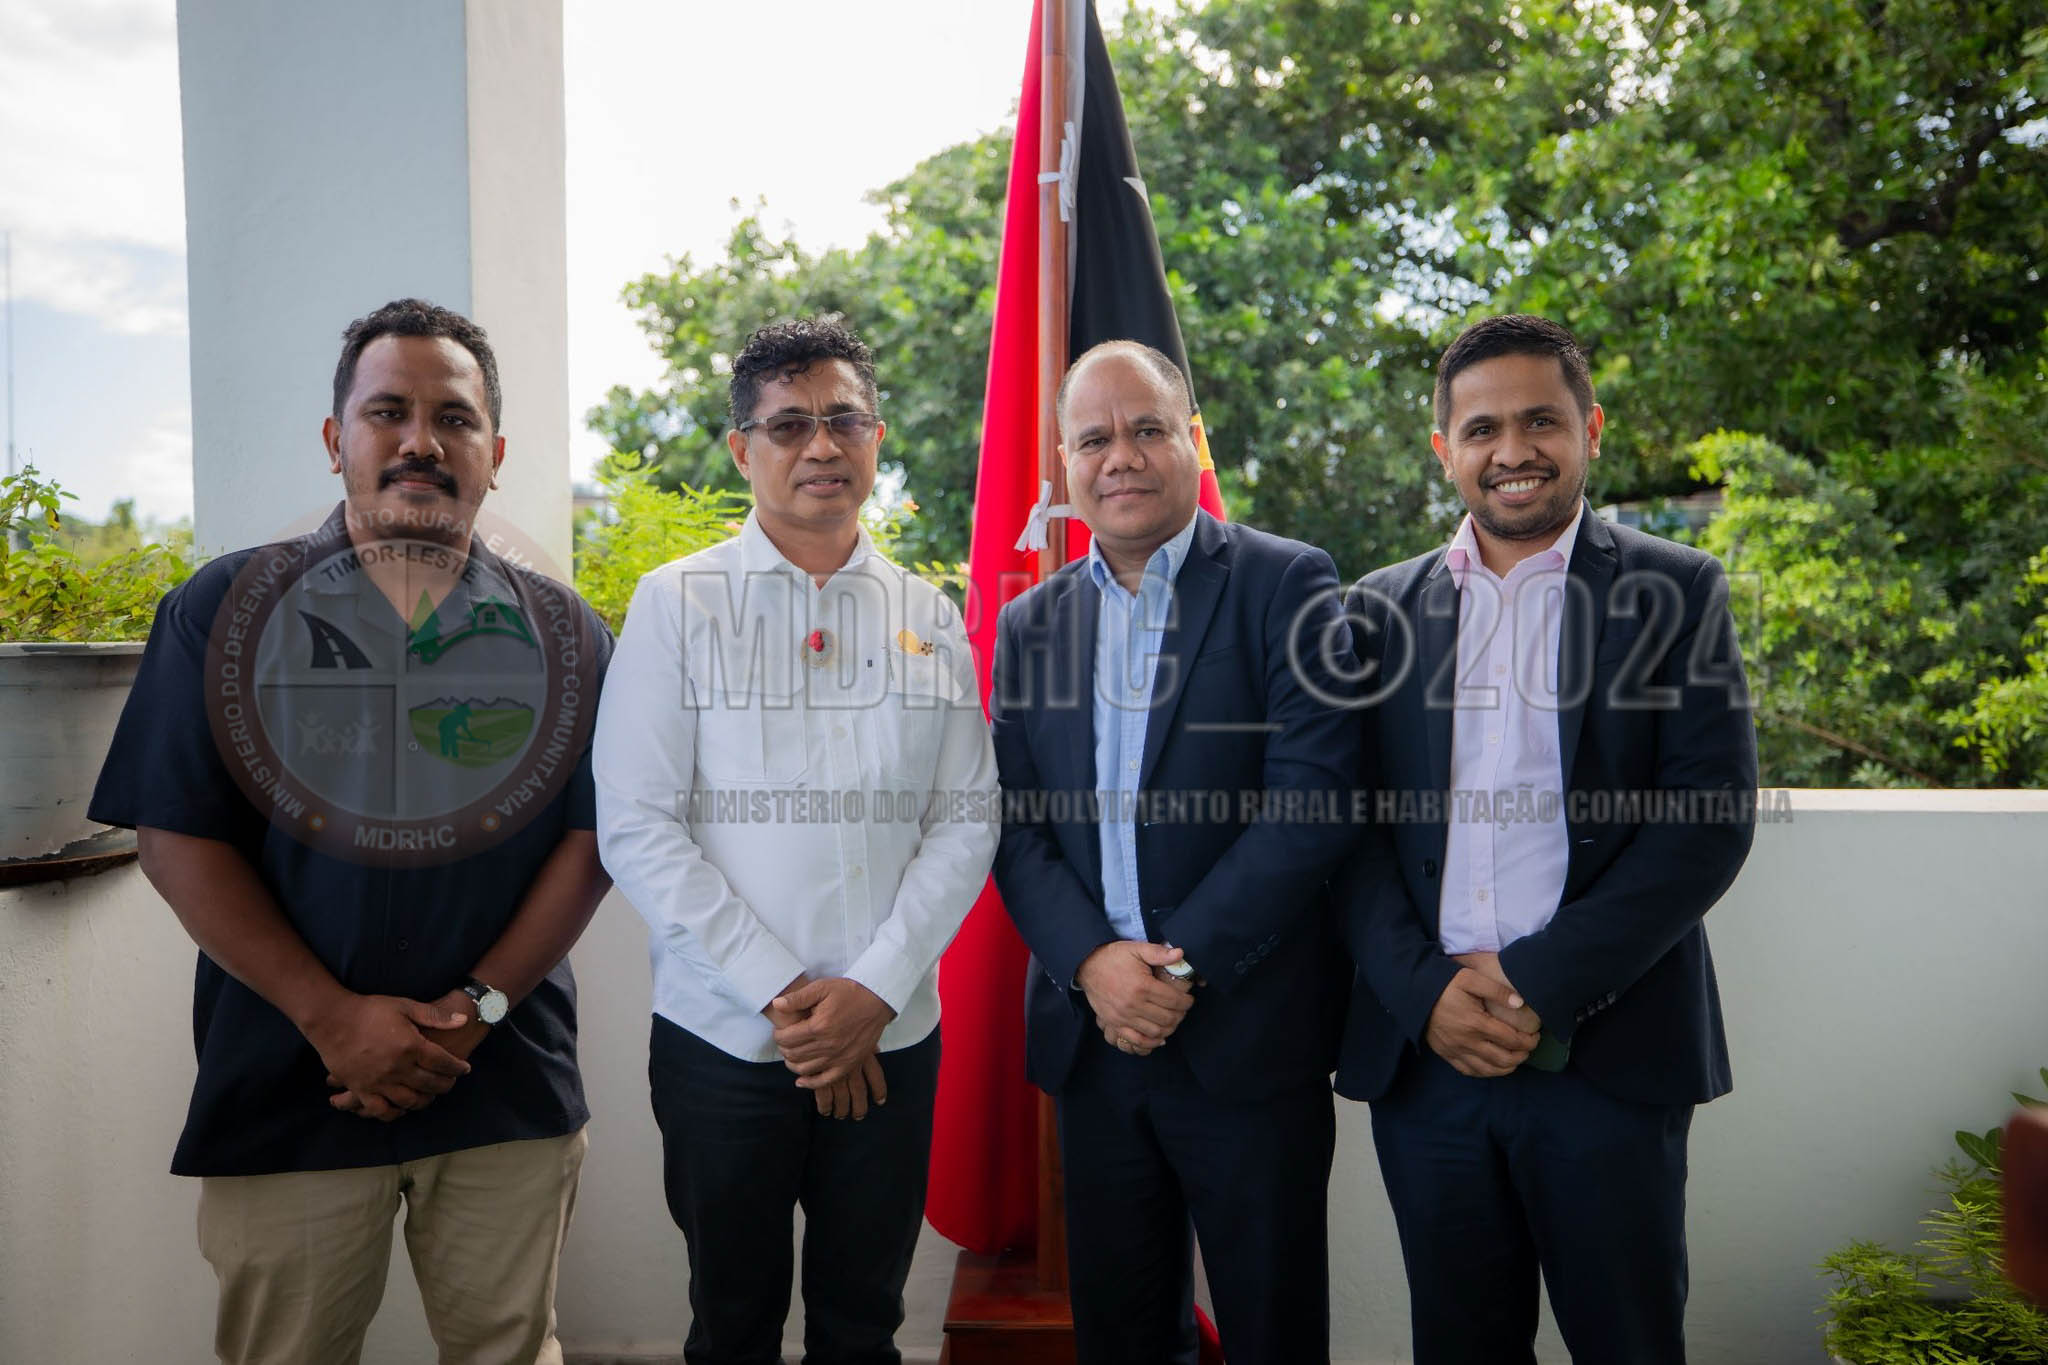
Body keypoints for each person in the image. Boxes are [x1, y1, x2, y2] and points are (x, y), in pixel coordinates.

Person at [88, 298, 614, 1364]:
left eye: (454, 418)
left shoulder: (567, 633)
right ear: (337, 440)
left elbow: (591, 842)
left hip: (501, 1082)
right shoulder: (222, 608)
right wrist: (332, 1019)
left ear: (495, 453)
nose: (422, 441)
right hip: (289, 1082)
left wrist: (475, 1011)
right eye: (388, 412)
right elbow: (177, 835)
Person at [1336, 313, 1758, 1364]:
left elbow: (1707, 819)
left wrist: (1534, 981)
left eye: (1540, 421)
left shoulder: (1675, 590)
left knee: (1628, 1342)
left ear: (1589, 429)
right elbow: (1344, 831)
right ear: (1444, 449)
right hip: (1428, 1062)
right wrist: (1427, 995)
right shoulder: (1374, 611)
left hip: (1609, 1059)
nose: (1511, 450)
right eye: (1481, 429)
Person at [593, 317, 998, 1365]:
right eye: (788, 426)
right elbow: (637, 825)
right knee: (732, 1326)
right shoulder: (678, 605)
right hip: (727, 1040)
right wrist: (785, 995)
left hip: (889, 1035)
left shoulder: (928, 616)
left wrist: (872, 991)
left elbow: (965, 816)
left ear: (875, 438)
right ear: (743, 450)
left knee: (864, 1327)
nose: (820, 445)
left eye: (843, 420)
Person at [989, 340, 1362, 1365]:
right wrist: (1094, 965)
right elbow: (1012, 821)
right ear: (1065, 465)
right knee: (1120, 1336)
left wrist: (1175, 969)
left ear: (1191, 440)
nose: (1120, 456)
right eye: (1093, 439)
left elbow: (1314, 804)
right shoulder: (1028, 623)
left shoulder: (1286, 583)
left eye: (1146, 429)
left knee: (1272, 1331)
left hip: (1248, 1038)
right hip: (1094, 1041)